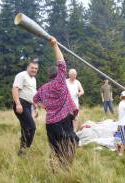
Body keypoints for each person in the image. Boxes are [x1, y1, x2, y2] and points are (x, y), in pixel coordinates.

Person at [33, 37, 79, 168]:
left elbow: (35, 100)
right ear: (58, 74)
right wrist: (55, 45)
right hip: (63, 122)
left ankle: (55, 170)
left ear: (48, 75)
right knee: (69, 147)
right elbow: (61, 63)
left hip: (50, 124)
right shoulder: (60, 82)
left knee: (55, 150)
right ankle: (66, 171)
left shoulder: (43, 89)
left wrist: (44, 107)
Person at [12, 58, 39, 156]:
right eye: (32, 68)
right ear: (28, 67)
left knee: (25, 128)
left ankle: (22, 151)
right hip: (21, 104)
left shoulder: (33, 79)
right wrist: (18, 104)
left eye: (36, 68)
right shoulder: (22, 75)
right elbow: (15, 89)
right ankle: (26, 147)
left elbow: (33, 93)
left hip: (29, 105)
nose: (34, 70)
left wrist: (35, 106)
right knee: (32, 127)